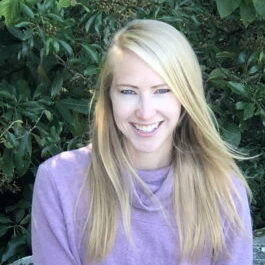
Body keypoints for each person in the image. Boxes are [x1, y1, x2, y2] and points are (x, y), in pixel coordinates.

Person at [31, 19, 253, 265]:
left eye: (162, 90)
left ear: (186, 96)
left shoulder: (223, 189)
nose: (145, 112)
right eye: (128, 91)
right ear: (109, 97)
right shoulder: (59, 181)